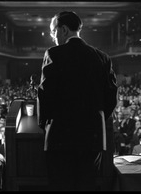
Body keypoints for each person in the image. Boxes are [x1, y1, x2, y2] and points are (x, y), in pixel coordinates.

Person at [37, 11, 117, 191]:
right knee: (86, 185)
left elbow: (45, 94)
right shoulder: (102, 57)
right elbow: (111, 97)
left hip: (60, 136)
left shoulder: (53, 54)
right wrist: (95, 119)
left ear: (63, 30)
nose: (52, 36)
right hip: (92, 137)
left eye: (53, 31)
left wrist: (44, 124)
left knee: (61, 186)